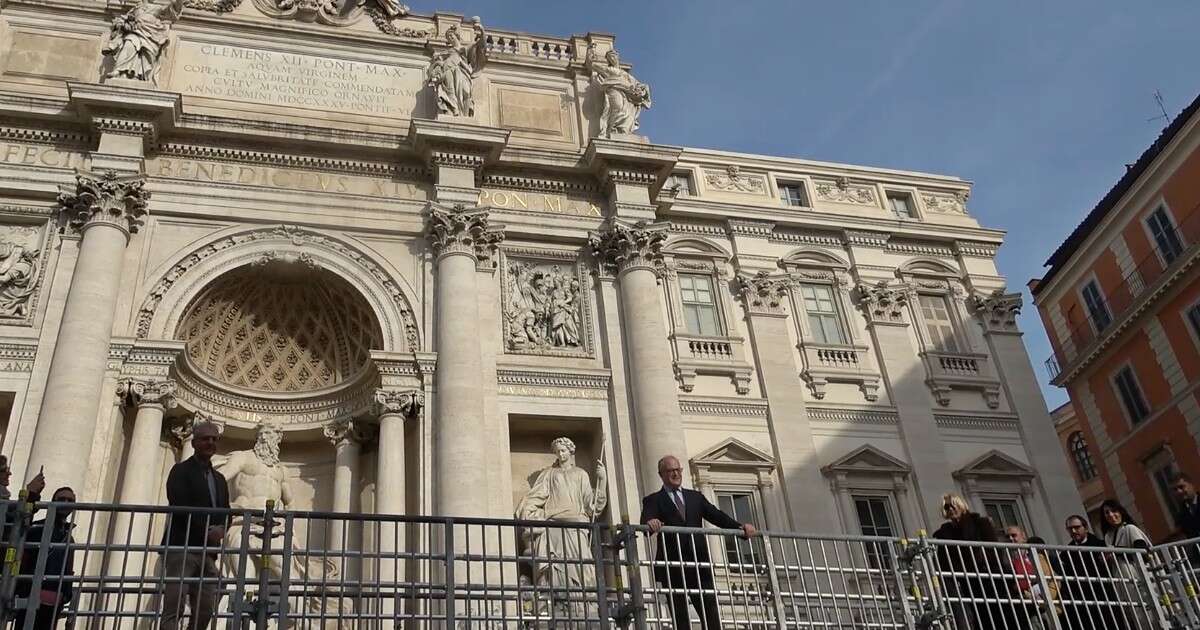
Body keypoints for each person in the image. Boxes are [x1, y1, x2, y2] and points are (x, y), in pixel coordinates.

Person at [641, 455, 756, 630]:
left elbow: (716, 515)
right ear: (661, 474)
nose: (675, 473)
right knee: (681, 619)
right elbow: (646, 521)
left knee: (710, 616)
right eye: (670, 470)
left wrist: (740, 528)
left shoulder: (695, 497)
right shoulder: (653, 499)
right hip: (673, 567)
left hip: (699, 564)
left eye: (678, 470)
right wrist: (651, 522)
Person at [515, 437, 607, 620]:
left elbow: (592, 505)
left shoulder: (581, 474)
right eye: (557, 451)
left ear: (571, 452)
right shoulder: (549, 474)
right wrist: (531, 513)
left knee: (582, 569)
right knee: (555, 569)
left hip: (576, 527)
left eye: (563, 450)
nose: (560, 454)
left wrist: (602, 480)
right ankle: (555, 606)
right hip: (555, 527)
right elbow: (534, 498)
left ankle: (583, 607)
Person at [161, 420, 230, 630]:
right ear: (194, 443)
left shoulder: (219, 479)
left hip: (208, 552)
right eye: (205, 439)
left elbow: (226, 510)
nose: (210, 442)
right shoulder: (180, 470)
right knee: (175, 603)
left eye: (214, 439)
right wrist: (206, 532)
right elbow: (179, 504)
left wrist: (221, 529)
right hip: (182, 546)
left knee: (206, 605)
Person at [932, 494, 1013, 630]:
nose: (951, 508)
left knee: (998, 617)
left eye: (954, 504)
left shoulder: (980, 523)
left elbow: (993, 549)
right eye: (947, 506)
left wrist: (982, 562)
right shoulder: (943, 533)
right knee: (974, 618)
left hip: (988, 577)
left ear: (961, 505)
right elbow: (943, 561)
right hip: (964, 581)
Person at [15, 486, 76, 630]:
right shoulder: (37, 528)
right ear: (53, 502)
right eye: (62, 499)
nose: (66, 503)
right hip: (31, 598)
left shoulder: (69, 537)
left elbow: (68, 569)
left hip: (55, 603)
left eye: (70, 500)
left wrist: (66, 595)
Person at [1061, 515, 1124, 630]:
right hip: (1083, 600)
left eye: (1077, 527)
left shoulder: (1100, 545)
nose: (1074, 531)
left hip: (1105, 595)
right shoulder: (1066, 554)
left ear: (1085, 528)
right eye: (1070, 529)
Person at [1006, 527, 1060, 627]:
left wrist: (1046, 597)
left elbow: (1052, 579)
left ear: (1023, 536)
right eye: (1007, 537)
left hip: (1046, 604)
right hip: (1027, 607)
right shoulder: (1008, 560)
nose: (1010, 539)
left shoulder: (1037, 555)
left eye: (1014, 535)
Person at [1171, 472, 1200, 541]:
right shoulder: (1180, 514)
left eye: (1181, 487)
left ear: (1191, 485)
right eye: (1175, 489)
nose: (1179, 491)